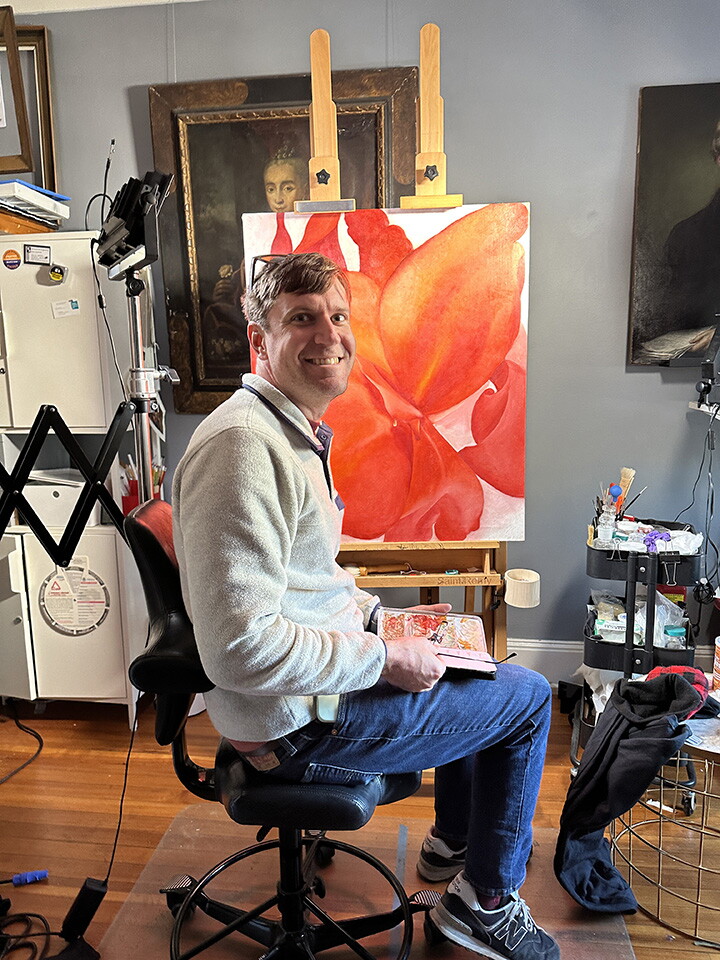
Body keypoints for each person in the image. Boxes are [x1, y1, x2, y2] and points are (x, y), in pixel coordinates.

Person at [172, 252, 558, 960]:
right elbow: (237, 648)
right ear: (261, 339)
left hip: (306, 700)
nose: (330, 336)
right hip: (297, 728)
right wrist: (383, 657)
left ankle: (450, 849)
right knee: (528, 699)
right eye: (302, 319)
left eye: (339, 316)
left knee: (468, 664)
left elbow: (310, 581)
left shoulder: (289, 433)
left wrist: (384, 621)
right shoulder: (241, 449)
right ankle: (485, 903)